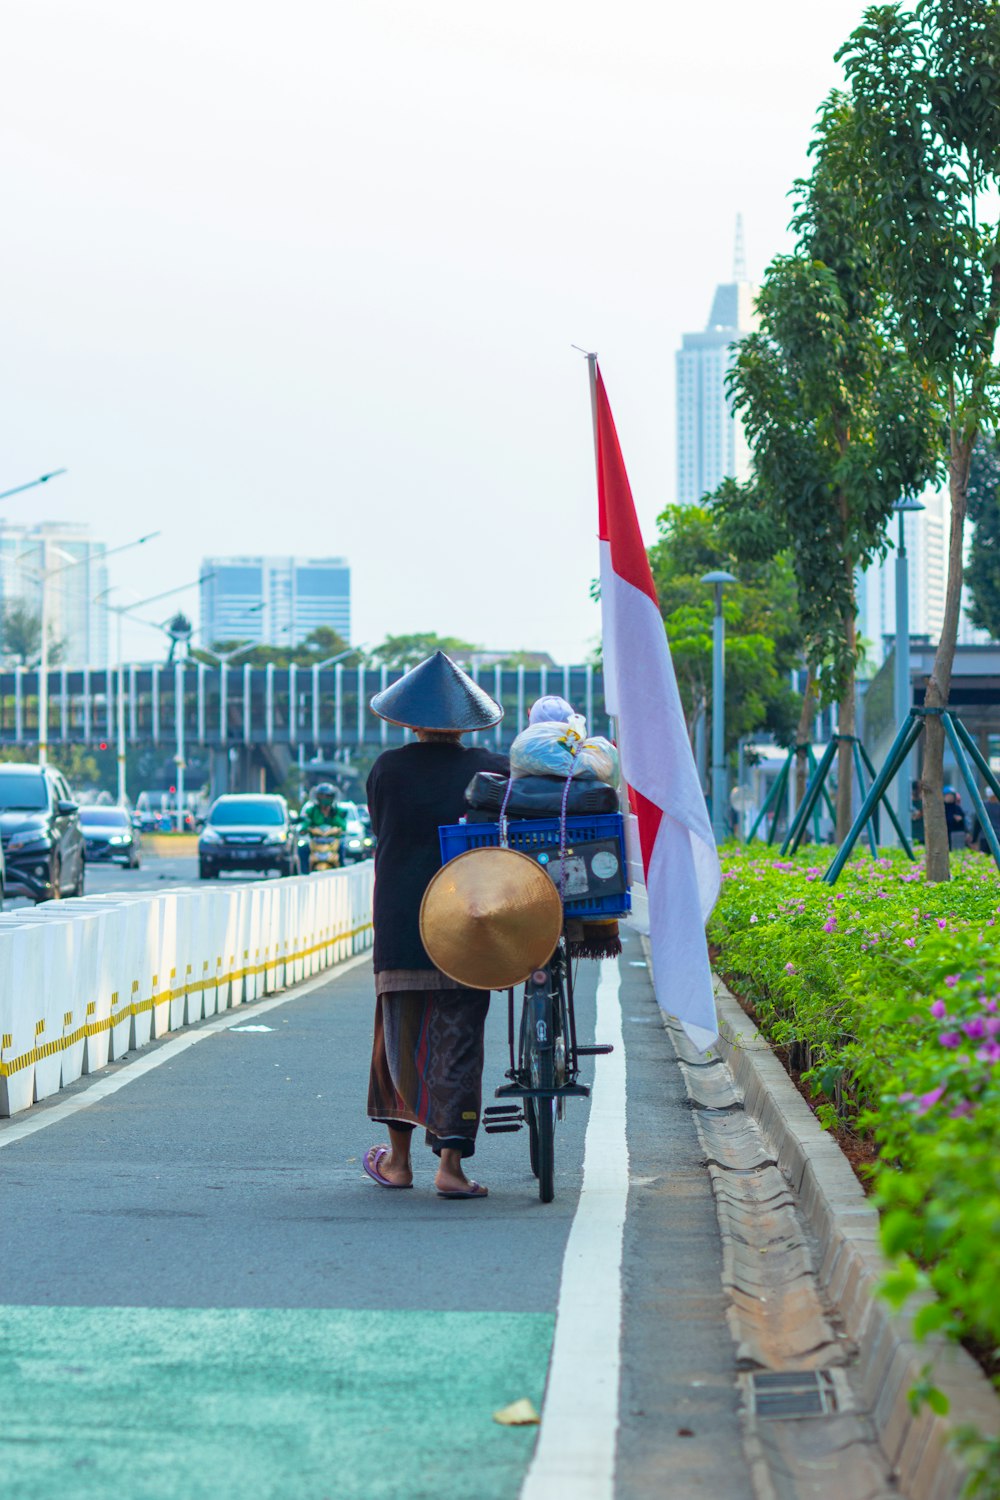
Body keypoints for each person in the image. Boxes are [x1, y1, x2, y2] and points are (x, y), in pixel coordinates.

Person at [363, 652, 509, 1199]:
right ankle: (451, 1167)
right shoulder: (493, 768)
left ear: (413, 722)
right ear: (465, 723)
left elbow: (383, 828)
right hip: (471, 923)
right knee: (460, 1039)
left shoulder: (387, 770)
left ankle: (398, 1163)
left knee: (398, 1043)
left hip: (402, 922)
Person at [298, 783, 347, 871]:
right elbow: (306, 822)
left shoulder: (336, 811)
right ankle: (304, 873)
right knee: (303, 849)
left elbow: (343, 825)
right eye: (322, 796)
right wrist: (303, 829)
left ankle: (342, 868)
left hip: (332, 842)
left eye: (328, 796)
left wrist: (334, 817)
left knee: (342, 847)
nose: (325, 799)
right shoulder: (312, 811)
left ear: (332, 797)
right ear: (317, 797)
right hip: (316, 841)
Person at [967, 788, 1000, 855]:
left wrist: (974, 839)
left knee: (985, 859)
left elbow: (977, 823)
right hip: (997, 837)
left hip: (985, 837)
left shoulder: (983, 806)